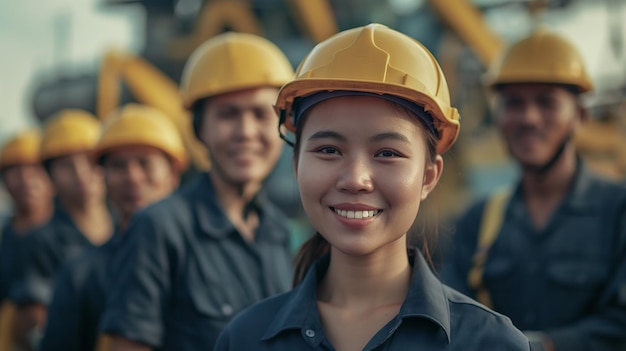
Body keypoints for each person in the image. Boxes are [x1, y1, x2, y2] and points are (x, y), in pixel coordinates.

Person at [214, 23, 530, 351]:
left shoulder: (490, 343)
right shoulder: (244, 339)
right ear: (296, 165)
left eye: (387, 153)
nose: (355, 178)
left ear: (429, 176)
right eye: (329, 150)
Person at [99, 32, 295, 351]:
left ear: (282, 126)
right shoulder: (158, 228)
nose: (246, 132)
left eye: (261, 114)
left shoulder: (278, 232)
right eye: (228, 114)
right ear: (199, 128)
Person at [441, 27, 626, 350]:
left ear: (580, 116)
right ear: (498, 116)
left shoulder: (619, 210)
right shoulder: (477, 220)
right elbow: (451, 319)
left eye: (547, 103)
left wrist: (537, 346)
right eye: (514, 103)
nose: (528, 118)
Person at [39, 104, 188, 351]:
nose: (132, 177)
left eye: (144, 163)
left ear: (173, 173)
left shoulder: (208, 257)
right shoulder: (79, 276)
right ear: (104, 177)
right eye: (118, 166)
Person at [10, 109, 113, 350]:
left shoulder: (129, 229)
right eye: (67, 166)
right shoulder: (39, 241)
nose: (81, 174)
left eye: (89, 161)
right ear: (50, 176)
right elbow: (34, 325)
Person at [0, 130, 54, 349]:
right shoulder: (4, 235)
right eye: (15, 170)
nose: (25, 179)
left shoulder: (69, 236)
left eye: (34, 168)